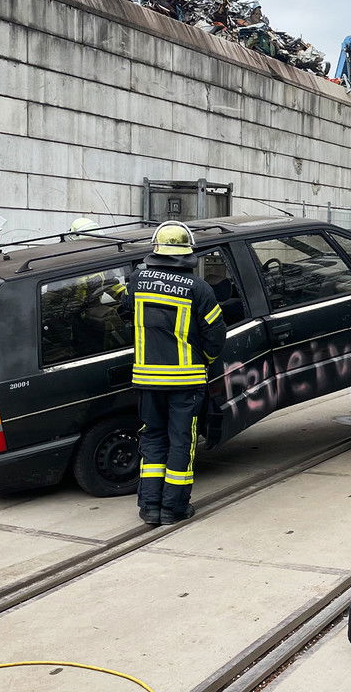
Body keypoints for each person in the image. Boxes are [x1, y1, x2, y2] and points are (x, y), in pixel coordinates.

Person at [123, 221, 225, 525]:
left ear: (156, 250)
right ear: (187, 253)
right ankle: (174, 508)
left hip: (147, 379)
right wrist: (205, 358)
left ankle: (150, 508)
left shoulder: (136, 281)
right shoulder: (199, 289)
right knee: (182, 442)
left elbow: (126, 314)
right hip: (185, 382)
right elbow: (216, 335)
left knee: (153, 438)